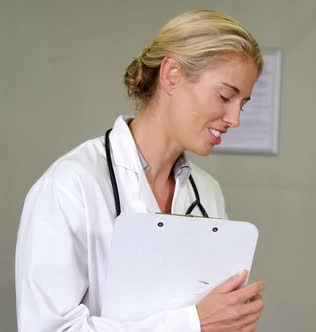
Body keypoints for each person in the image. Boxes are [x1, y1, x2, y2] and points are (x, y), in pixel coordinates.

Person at [15, 9, 265, 332]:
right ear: (172, 75)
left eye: (241, 104)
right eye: (225, 96)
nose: (235, 119)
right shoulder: (68, 188)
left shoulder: (207, 193)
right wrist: (191, 324)